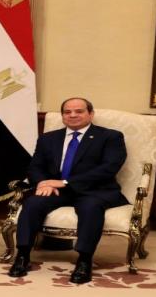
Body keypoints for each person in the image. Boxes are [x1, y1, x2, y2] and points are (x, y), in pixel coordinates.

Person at [8, 97, 128, 284]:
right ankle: (22, 255)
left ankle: (84, 260)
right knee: (32, 203)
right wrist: (43, 183)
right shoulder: (48, 138)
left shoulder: (110, 137)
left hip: (94, 190)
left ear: (91, 114)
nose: (72, 115)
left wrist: (64, 182)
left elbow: (108, 169)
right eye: (67, 112)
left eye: (79, 111)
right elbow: (35, 167)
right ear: (62, 115)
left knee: (90, 207)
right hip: (57, 191)